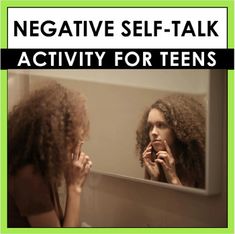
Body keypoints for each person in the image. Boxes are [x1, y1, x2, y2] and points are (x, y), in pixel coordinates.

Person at [8, 82, 92, 227]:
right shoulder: (30, 177)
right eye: (72, 142)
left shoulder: (41, 170)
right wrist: (74, 188)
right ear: (55, 138)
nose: (75, 151)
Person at [136, 94, 205, 188]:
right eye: (150, 126)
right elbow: (149, 201)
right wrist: (154, 179)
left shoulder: (197, 164)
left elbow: (194, 202)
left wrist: (173, 178)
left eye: (161, 125)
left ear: (177, 130)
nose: (153, 132)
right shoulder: (153, 160)